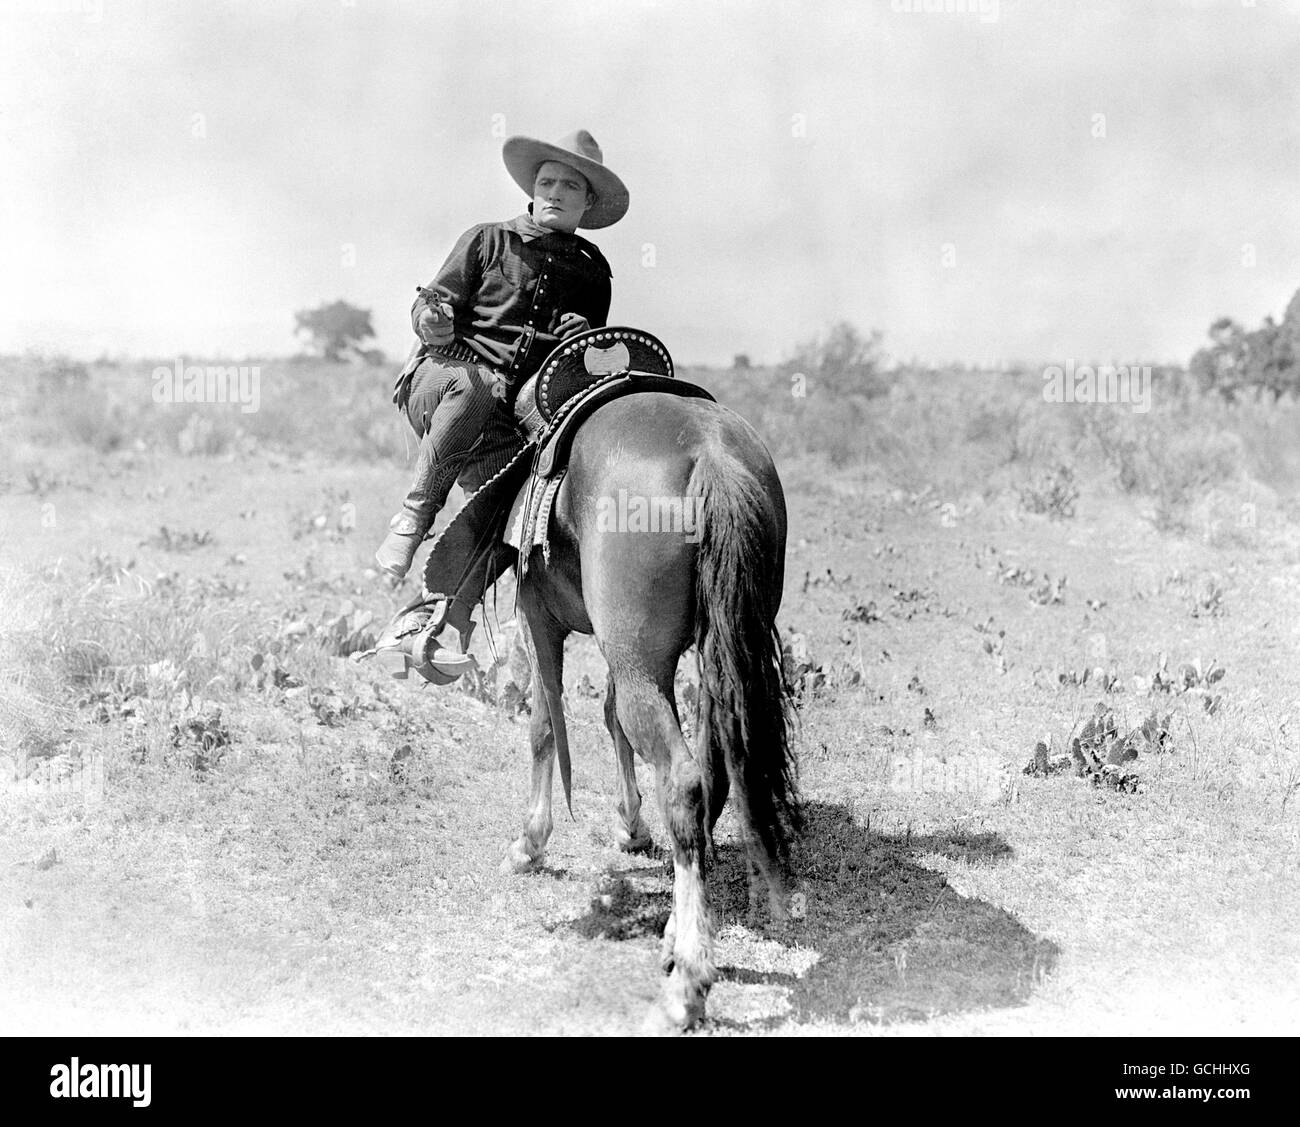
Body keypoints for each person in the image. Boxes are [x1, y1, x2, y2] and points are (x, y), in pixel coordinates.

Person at [373, 129, 629, 682]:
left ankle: (443, 621)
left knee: (523, 503)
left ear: (587, 203)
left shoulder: (592, 271)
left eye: (570, 185)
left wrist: (582, 337)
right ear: (533, 189)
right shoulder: (487, 240)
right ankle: (413, 517)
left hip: (515, 416)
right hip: (445, 380)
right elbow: (430, 305)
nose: (555, 191)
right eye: (547, 181)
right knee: (478, 387)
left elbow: (581, 361)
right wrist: (433, 320)